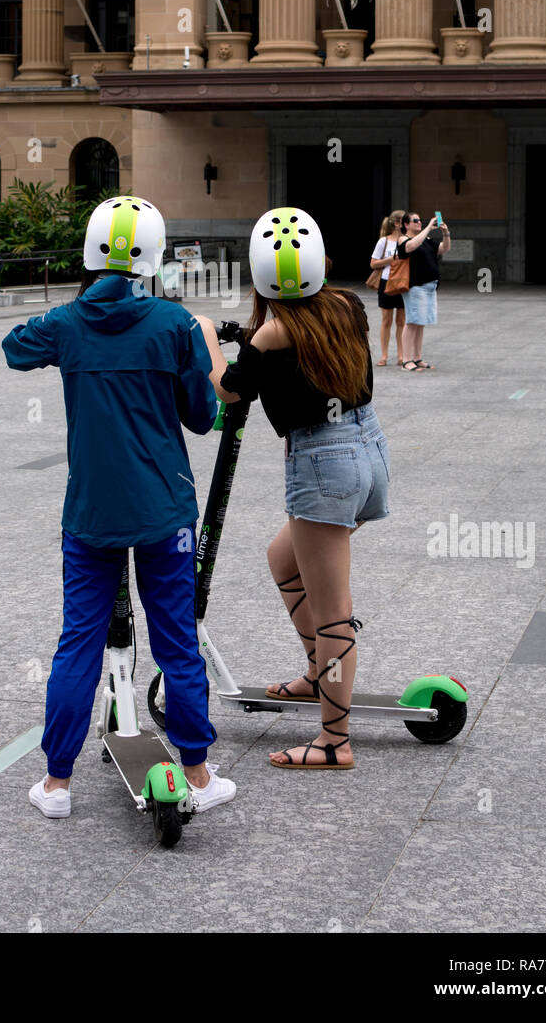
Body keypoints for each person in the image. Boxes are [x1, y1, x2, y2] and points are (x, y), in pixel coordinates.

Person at [1, 196, 236, 820]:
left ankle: (56, 784)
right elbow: (202, 417)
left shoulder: (69, 322)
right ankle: (197, 771)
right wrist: (207, 358)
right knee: (176, 641)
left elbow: (14, 347)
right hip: (164, 511)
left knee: (76, 642)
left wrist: (68, 322)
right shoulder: (174, 324)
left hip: (90, 516)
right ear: (154, 258)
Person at [196, 207, 389, 770]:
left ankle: (334, 742)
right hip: (367, 449)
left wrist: (208, 337)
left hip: (325, 465)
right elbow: (300, 361)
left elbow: (230, 391)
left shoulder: (273, 331)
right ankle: (314, 673)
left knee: (334, 613)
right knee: (283, 557)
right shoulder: (347, 305)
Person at [396, 212, 452, 371]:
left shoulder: (426, 240)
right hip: (415, 286)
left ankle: (417, 357)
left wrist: (445, 233)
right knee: (412, 322)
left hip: (430, 286)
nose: (419, 222)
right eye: (415, 221)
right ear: (406, 225)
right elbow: (410, 247)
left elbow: (444, 249)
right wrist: (428, 228)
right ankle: (406, 361)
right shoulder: (404, 239)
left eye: (420, 220)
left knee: (420, 324)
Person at [370, 209, 406, 367]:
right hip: (386, 281)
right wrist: (391, 259)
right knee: (386, 320)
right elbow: (373, 263)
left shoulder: (407, 240)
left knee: (401, 321)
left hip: (404, 282)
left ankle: (401, 355)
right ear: (397, 223)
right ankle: (384, 355)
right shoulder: (384, 241)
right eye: (405, 220)